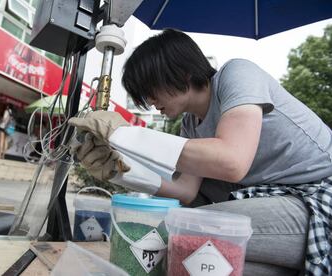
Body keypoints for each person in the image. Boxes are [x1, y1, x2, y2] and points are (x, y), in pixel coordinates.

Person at [68, 29, 332, 276]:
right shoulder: (190, 124)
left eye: (150, 90)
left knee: (186, 236)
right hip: (279, 199)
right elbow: (187, 191)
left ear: (180, 73)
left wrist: (127, 136)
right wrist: (121, 173)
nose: (149, 101)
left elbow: (232, 161)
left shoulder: (237, 74)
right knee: (184, 259)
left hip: (319, 196)